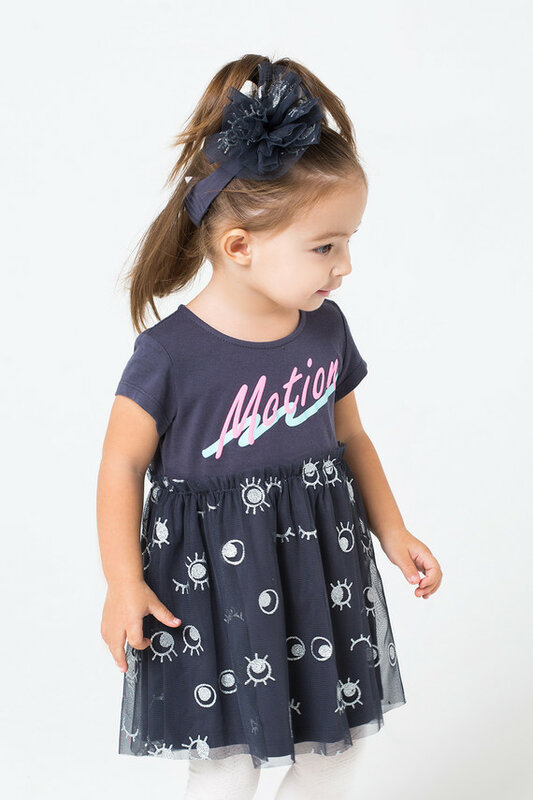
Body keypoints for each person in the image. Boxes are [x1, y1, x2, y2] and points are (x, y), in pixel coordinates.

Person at [96, 55, 442, 800]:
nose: (344, 265)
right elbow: (121, 465)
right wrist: (123, 582)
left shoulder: (326, 331)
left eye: (347, 242)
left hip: (318, 572)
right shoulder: (169, 355)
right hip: (211, 585)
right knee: (227, 763)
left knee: (334, 748)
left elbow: (351, 439)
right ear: (239, 246)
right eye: (325, 246)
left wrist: (393, 531)